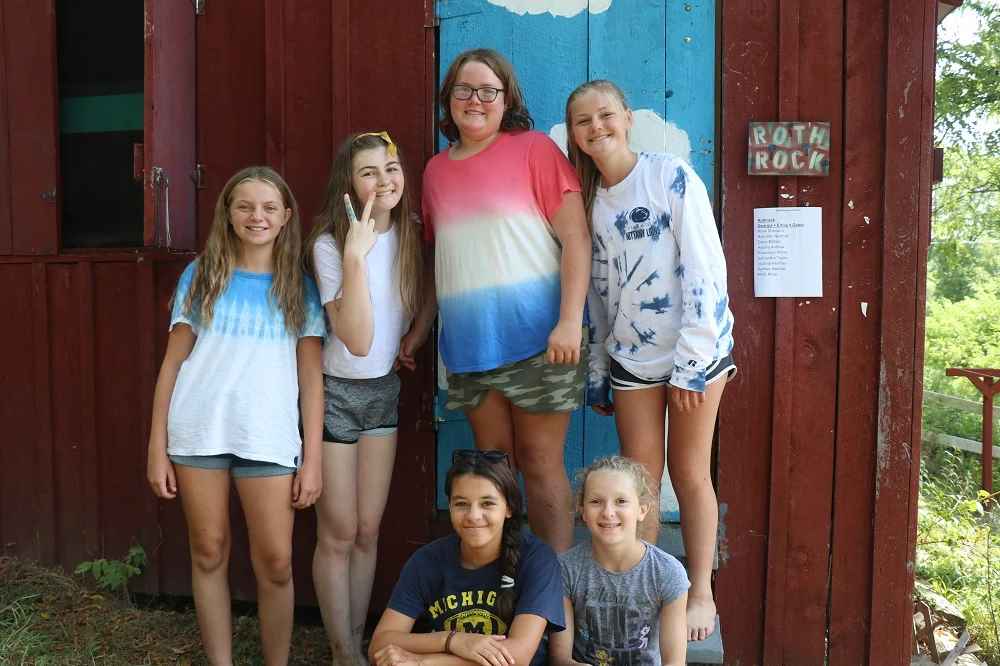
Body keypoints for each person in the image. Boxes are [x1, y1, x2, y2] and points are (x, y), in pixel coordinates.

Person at [564, 80, 736, 641]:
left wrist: (692, 362)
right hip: (631, 359)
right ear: (574, 133)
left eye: (606, 115)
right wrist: (596, 370)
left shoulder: (669, 176)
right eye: (583, 121)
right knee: (641, 483)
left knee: (689, 474)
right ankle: (648, 590)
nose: (597, 127)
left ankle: (698, 593)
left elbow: (705, 267)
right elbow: (596, 291)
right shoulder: (590, 201)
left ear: (627, 118)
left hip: (695, 353)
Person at [401, 48, 592, 553]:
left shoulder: (533, 150)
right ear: (449, 99)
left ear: (507, 100)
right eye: (464, 89)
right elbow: (443, 261)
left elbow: (576, 238)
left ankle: (555, 599)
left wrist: (570, 320)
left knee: (539, 460)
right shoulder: (435, 172)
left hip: (542, 338)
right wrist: (420, 330)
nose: (476, 100)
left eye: (489, 91)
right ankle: (506, 584)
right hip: (470, 345)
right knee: (494, 466)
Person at [146, 166, 325, 665]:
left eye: (269, 207)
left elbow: (312, 380)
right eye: (244, 206)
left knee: (276, 563)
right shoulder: (202, 275)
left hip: (267, 436)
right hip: (198, 432)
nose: (257, 216)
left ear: (287, 216)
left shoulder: (299, 287)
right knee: (208, 552)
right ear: (227, 213)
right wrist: (156, 446)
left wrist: (312, 459)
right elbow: (172, 363)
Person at [305, 131, 424, 664]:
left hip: (383, 392)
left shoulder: (411, 237)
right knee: (339, 530)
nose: (384, 181)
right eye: (369, 172)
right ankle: (342, 651)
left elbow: (430, 291)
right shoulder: (330, 245)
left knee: (369, 529)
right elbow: (355, 337)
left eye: (391, 168)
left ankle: (356, 636)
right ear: (348, 185)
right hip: (336, 394)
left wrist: (414, 339)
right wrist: (356, 256)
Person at [369, 449, 565, 666]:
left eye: (487, 503)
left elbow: (517, 658)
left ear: (509, 508)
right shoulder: (427, 560)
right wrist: (451, 640)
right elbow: (379, 644)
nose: (473, 516)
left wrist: (422, 662)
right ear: (450, 506)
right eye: (461, 503)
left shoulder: (537, 559)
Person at [551, 456, 689, 666]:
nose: (608, 512)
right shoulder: (566, 569)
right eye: (596, 502)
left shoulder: (667, 572)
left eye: (621, 501)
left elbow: (675, 662)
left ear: (642, 510)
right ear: (583, 511)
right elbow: (560, 658)